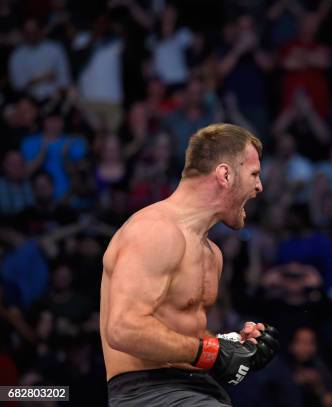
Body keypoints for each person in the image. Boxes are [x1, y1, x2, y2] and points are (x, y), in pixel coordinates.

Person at [100, 123, 280, 406]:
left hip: (196, 390)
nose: (259, 186)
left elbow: (185, 339)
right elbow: (123, 328)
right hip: (148, 393)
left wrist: (234, 346)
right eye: (254, 174)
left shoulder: (211, 253)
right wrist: (213, 352)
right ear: (225, 174)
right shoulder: (154, 229)